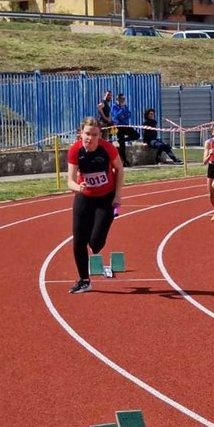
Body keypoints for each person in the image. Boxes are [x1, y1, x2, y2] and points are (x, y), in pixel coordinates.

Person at [66, 116, 124, 294]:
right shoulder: (75, 150)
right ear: (80, 133)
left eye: (94, 134)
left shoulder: (107, 149)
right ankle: (84, 280)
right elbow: (69, 181)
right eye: (87, 134)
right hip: (84, 196)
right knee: (78, 241)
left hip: (105, 197)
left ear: (100, 135)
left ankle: (96, 232)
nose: (90, 138)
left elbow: (119, 169)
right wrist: (79, 187)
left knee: (96, 243)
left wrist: (118, 195)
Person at [111, 94, 139, 167]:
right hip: (119, 126)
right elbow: (116, 116)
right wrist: (121, 110)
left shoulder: (125, 106)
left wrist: (125, 116)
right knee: (122, 146)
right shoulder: (114, 106)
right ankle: (124, 161)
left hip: (125, 125)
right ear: (118, 99)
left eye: (123, 98)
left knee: (136, 135)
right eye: (121, 98)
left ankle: (122, 140)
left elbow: (129, 114)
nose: (123, 100)